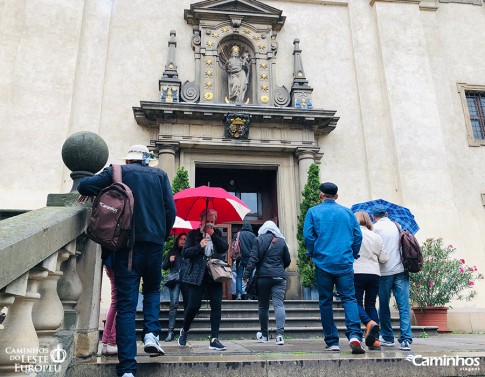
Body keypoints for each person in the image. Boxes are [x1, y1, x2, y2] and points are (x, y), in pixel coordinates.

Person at [78, 144, 176, 377]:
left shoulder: (117, 171)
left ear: (129, 160)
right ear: (146, 160)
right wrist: (160, 236)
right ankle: (151, 333)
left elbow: (84, 185)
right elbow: (170, 211)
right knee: (152, 290)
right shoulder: (160, 175)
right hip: (154, 246)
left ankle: (128, 370)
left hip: (126, 249)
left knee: (126, 307)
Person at [303, 182, 365, 354]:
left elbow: (308, 236)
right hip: (344, 262)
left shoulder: (313, 212)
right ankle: (354, 335)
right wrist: (352, 253)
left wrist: (313, 252)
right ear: (336, 196)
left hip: (323, 262)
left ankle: (332, 341)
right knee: (349, 299)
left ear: (321, 195)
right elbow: (358, 235)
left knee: (325, 301)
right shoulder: (348, 212)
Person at [178, 208, 229, 351]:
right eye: (208, 221)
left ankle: (214, 339)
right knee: (194, 306)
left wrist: (213, 236)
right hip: (197, 274)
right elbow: (185, 253)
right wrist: (199, 246)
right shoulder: (193, 234)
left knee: (216, 304)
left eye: (213, 222)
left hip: (214, 274)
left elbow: (225, 247)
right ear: (201, 221)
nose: (210, 224)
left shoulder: (217, 233)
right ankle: (184, 330)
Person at [371, 204, 413, 351]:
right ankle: (406, 339)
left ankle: (388, 337)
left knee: (383, 306)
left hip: (384, 273)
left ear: (373, 216)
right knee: (403, 306)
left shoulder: (375, 229)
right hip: (401, 269)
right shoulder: (397, 225)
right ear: (387, 214)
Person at [243, 221, 291, 345]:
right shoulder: (282, 241)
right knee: (279, 305)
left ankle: (264, 335)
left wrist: (246, 275)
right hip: (279, 277)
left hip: (263, 277)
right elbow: (287, 260)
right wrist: (279, 268)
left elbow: (253, 259)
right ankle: (280, 336)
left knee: (263, 306)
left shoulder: (259, 240)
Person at [353, 211, 389, 350]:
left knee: (354, 302)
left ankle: (369, 323)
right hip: (374, 273)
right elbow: (384, 258)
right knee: (371, 304)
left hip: (357, 272)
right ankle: (375, 340)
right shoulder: (376, 236)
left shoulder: (353, 235)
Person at [162, 232, 187, 342]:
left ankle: (185, 331)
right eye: (181, 239)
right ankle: (170, 332)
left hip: (187, 280)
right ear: (177, 240)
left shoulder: (188, 252)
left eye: (185, 239)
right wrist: (169, 260)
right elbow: (164, 266)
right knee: (174, 304)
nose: (183, 241)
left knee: (188, 305)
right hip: (175, 280)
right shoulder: (172, 252)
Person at [233, 221, 256, 300]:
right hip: (250, 259)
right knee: (250, 276)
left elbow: (233, 246)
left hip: (240, 258)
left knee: (239, 276)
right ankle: (249, 295)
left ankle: (239, 294)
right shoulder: (253, 236)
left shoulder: (238, 234)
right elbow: (255, 248)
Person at [101, 253, 117, 356]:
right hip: (116, 260)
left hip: (110, 260)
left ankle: (108, 342)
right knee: (117, 304)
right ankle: (110, 341)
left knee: (116, 303)